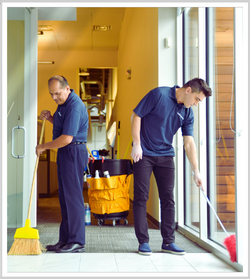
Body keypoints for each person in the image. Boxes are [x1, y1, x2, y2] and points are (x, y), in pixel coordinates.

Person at [131, 78, 212, 256]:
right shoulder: (158, 95)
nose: (197, 104)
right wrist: (137, 144)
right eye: (198, 99)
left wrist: (196, 171)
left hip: (166, 156)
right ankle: (143, 242)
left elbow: (189, 142)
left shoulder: (187, 112)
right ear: (189, 90)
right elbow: (136, 115)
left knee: (168, 199)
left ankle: (168, 242)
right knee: (141, 197)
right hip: (144, 154)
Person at [36, 75, 89, 253]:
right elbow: (64, 127)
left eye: (57, 93)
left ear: (68, 88)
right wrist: (50, 118)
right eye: (51, 94)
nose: (54, 97)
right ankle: (65, 240)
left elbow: (67, 138)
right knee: (65, 198)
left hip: (73, 151)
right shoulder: (63, 105)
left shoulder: (74, 106)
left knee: (73, 198)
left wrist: (43, 146)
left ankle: (77, 241)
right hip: (66, 152)